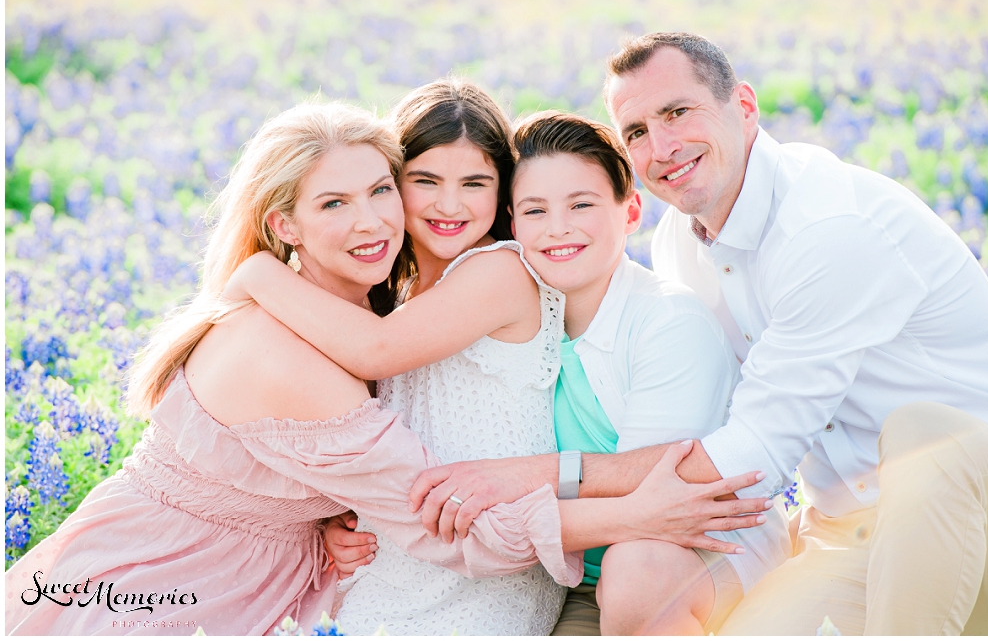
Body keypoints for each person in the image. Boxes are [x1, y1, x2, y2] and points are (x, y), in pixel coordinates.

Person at [4, 101, 586, 636]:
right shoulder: (289, 346)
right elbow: (445, 522)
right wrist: (639, 506)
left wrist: (325, 522)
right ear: (284, 225)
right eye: (334, 203)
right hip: (160, 587)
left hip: (258, 582)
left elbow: (327, 462)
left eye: (380, 190)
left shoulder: (386, 311)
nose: (371, 222)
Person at [227, 80, 771, 635]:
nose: (449, 203)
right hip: (436, 552)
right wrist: (342, 517)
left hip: (516, 563)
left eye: (475, 183)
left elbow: (375, 353)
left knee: (631, 572)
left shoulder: (501, 273)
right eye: (424, 181)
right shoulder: (404, 297)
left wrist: (256, 271)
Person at [606, 32, 988, 635]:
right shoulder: (677, 245)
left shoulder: (826, 226)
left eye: (676, 112)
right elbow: (714, 425)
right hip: (851, 532)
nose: (660, 146)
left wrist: (558, 481)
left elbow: (755, 449)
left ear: (743, 107)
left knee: (922, 434)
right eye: (636, 132)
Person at [507, 111, 791, 634]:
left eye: (581, 205)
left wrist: (503, 503)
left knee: (635, 569)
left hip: (693, 557)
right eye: (535, 210)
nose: (558, 227)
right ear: (512, 224)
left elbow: (654, 508)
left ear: (631, 210)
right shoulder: (509, 319)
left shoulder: (668, 320)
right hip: (570, 568)